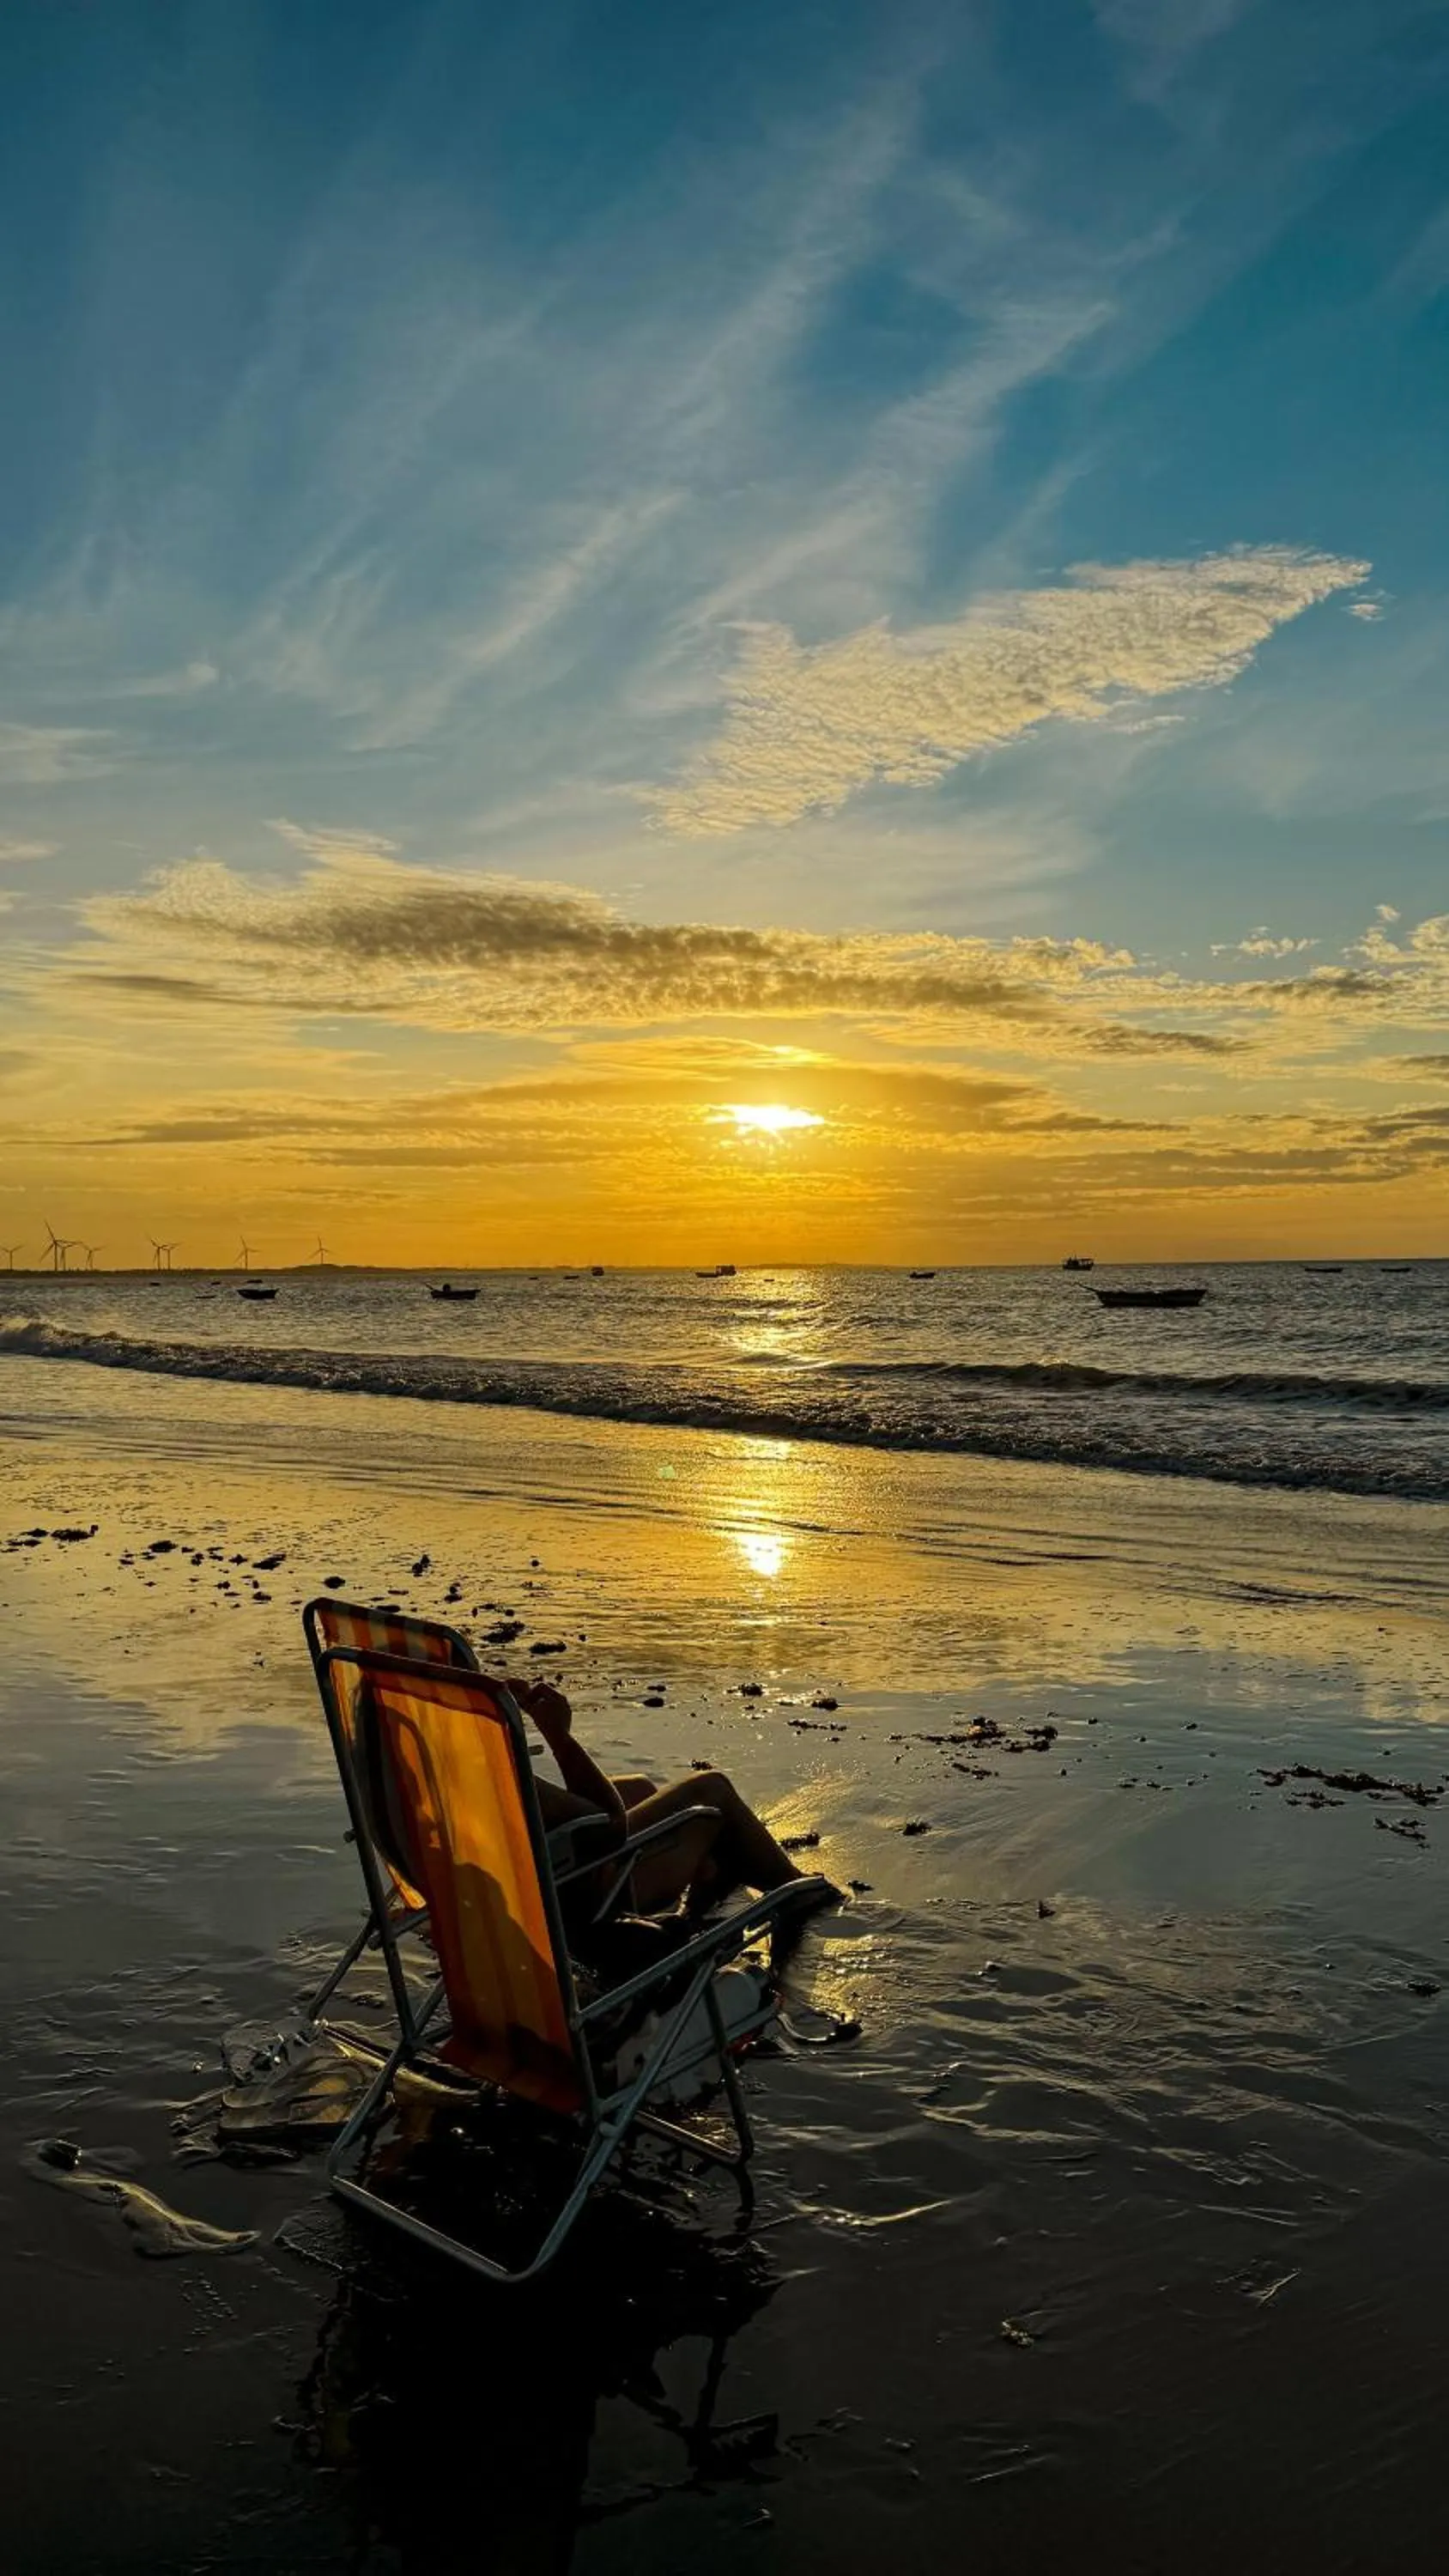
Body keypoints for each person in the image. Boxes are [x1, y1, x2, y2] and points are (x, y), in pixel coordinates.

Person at [505, 1674, 841, 1924]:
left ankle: (705, 1891)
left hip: (522, 1879)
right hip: (577, 1900)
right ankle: (796, 1893)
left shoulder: (457, 1783)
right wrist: (559, 1736)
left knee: (638, 1789)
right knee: (711, 1792)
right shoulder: (478, 1778)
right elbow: (609, 1826)